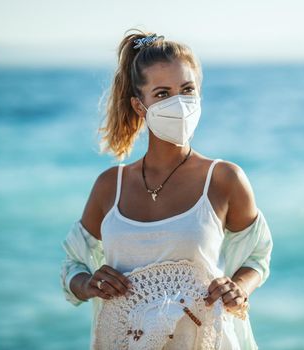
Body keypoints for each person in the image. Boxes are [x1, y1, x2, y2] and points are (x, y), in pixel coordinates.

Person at [59, 28, 273, 350]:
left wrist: (238, 286)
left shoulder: (224, 179)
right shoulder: (110, 187)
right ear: (139, 105)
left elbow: (258, 254)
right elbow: (72, 265)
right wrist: (88, 283)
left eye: (187, 89)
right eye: (162, 94)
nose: (180, 103)